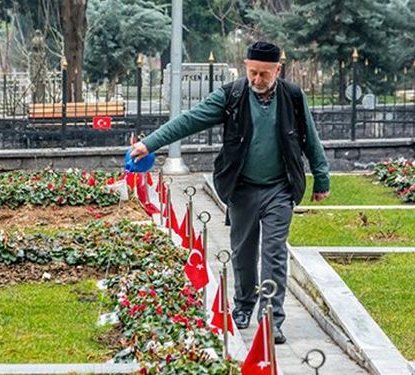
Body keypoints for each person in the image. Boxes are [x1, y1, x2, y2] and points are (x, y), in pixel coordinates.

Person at [130, 41, 330, 344]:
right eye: (252, 72)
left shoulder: (292, 96)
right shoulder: (232, 95)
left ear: (278, 69)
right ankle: (244, 305)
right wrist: (150, 143)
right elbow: (189, 120)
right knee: (243, 253)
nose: (257, 80)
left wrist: (322, 178)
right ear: (246, 66)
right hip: (242, 188)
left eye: (264, 74)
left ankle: (271, 319)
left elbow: (310, 139)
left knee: (274, 252)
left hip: (279, 187)